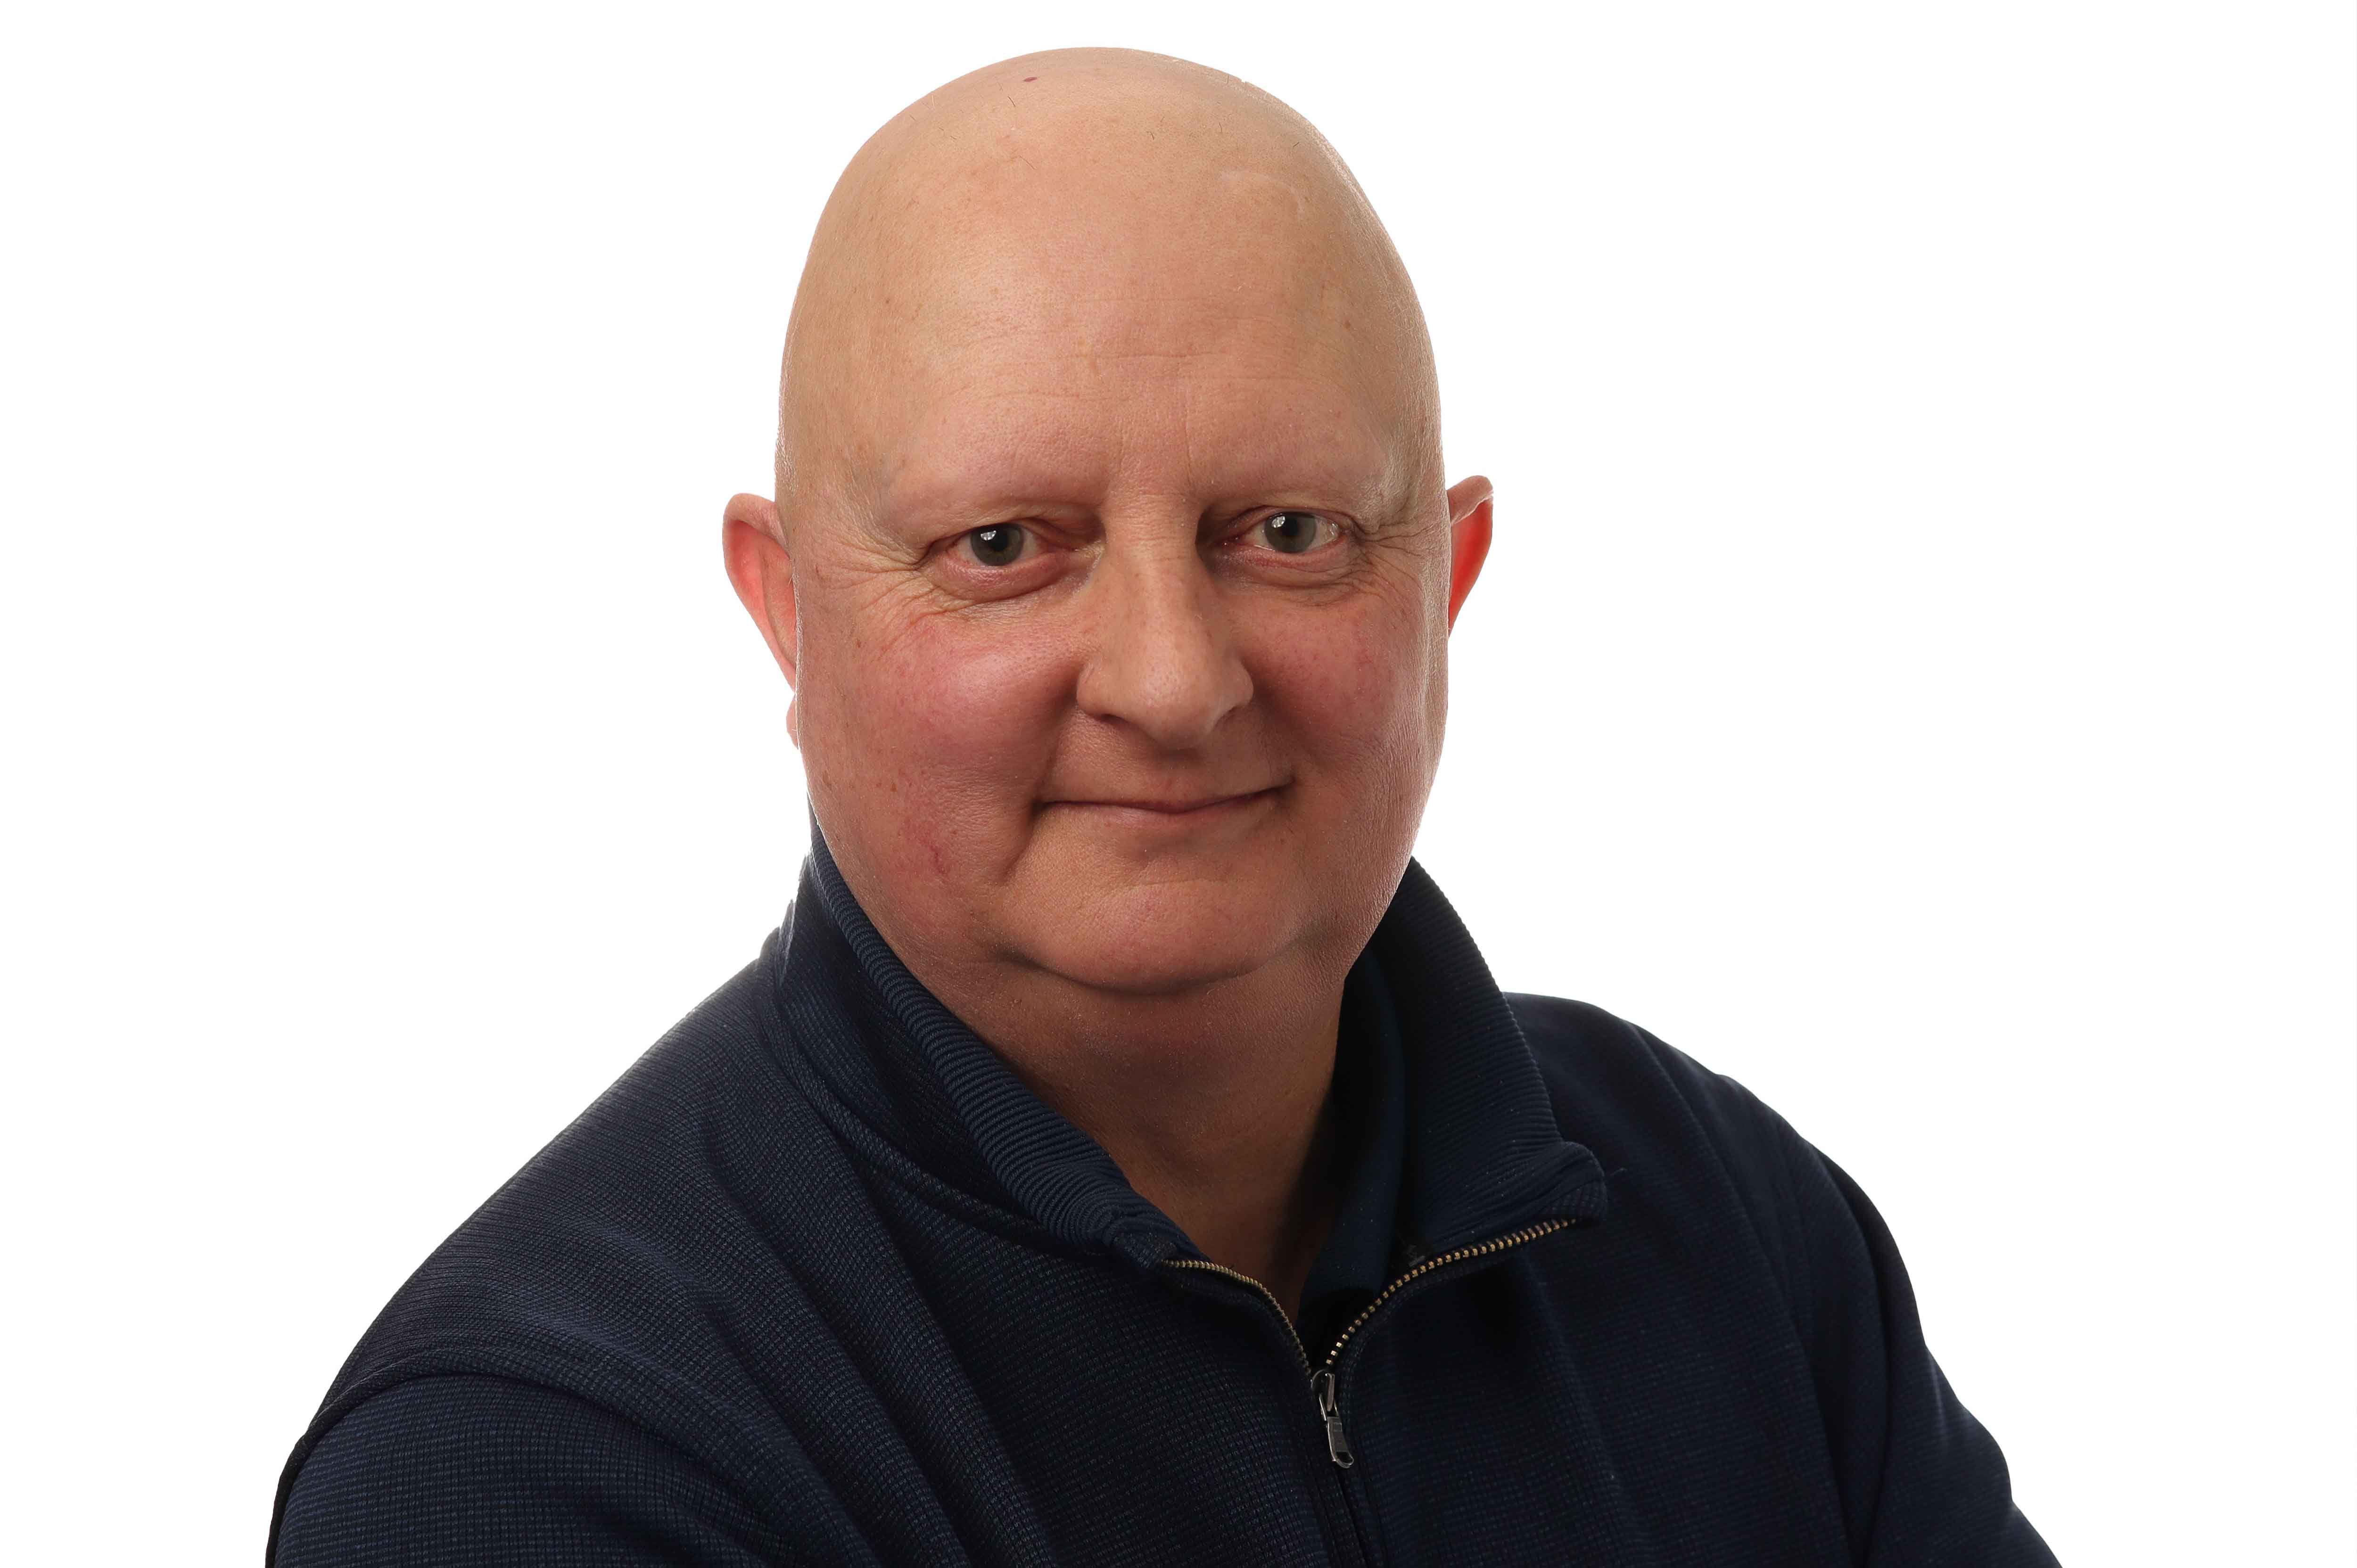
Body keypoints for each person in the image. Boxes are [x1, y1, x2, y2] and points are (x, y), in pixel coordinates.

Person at [269, 47, 2056, 1567]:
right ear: (789, 615)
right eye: (1004, 547)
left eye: (1288, 532)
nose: (1173, 679)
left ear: (1445, 585)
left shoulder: (1726, 1224)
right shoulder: (537, 1457)